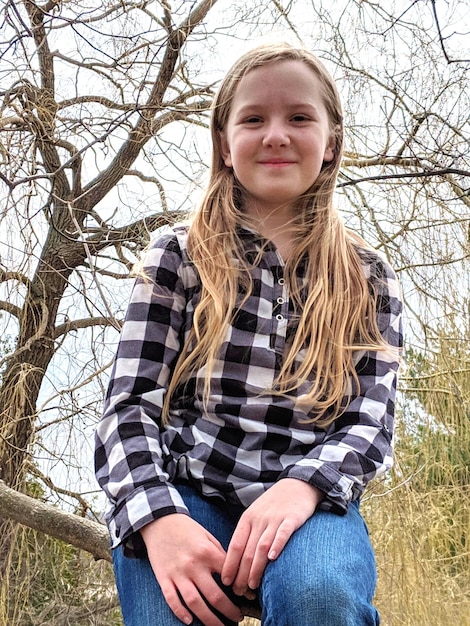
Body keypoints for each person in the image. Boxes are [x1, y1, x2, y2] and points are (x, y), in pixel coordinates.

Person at [95, 42, 403, 626]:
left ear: (332, 142)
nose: (277, 134)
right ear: (224, 143)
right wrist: (158, 520)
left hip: (310, 504)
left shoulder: (366, 276)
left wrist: (303, 488)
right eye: (254, 118)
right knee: (172, 612)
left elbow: (369, 420)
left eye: (300, 118)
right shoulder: (179, 257)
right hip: (187, 491)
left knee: (320, 597)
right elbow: (128, 408)